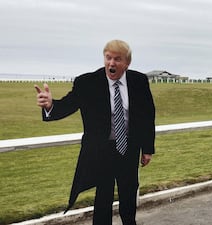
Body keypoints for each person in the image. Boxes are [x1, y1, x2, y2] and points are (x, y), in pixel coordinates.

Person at [35, 40, 156, 225]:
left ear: (127, 63)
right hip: (102, 150)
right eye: (108, 58)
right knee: (103, 195)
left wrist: (147, 149)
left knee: (129, 192)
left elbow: (147, 115)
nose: (111, 63)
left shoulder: (139, 81)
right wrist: (51, 105)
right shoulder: (87, 83)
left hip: (129, 149)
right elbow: (67, 105)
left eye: (117, 59)